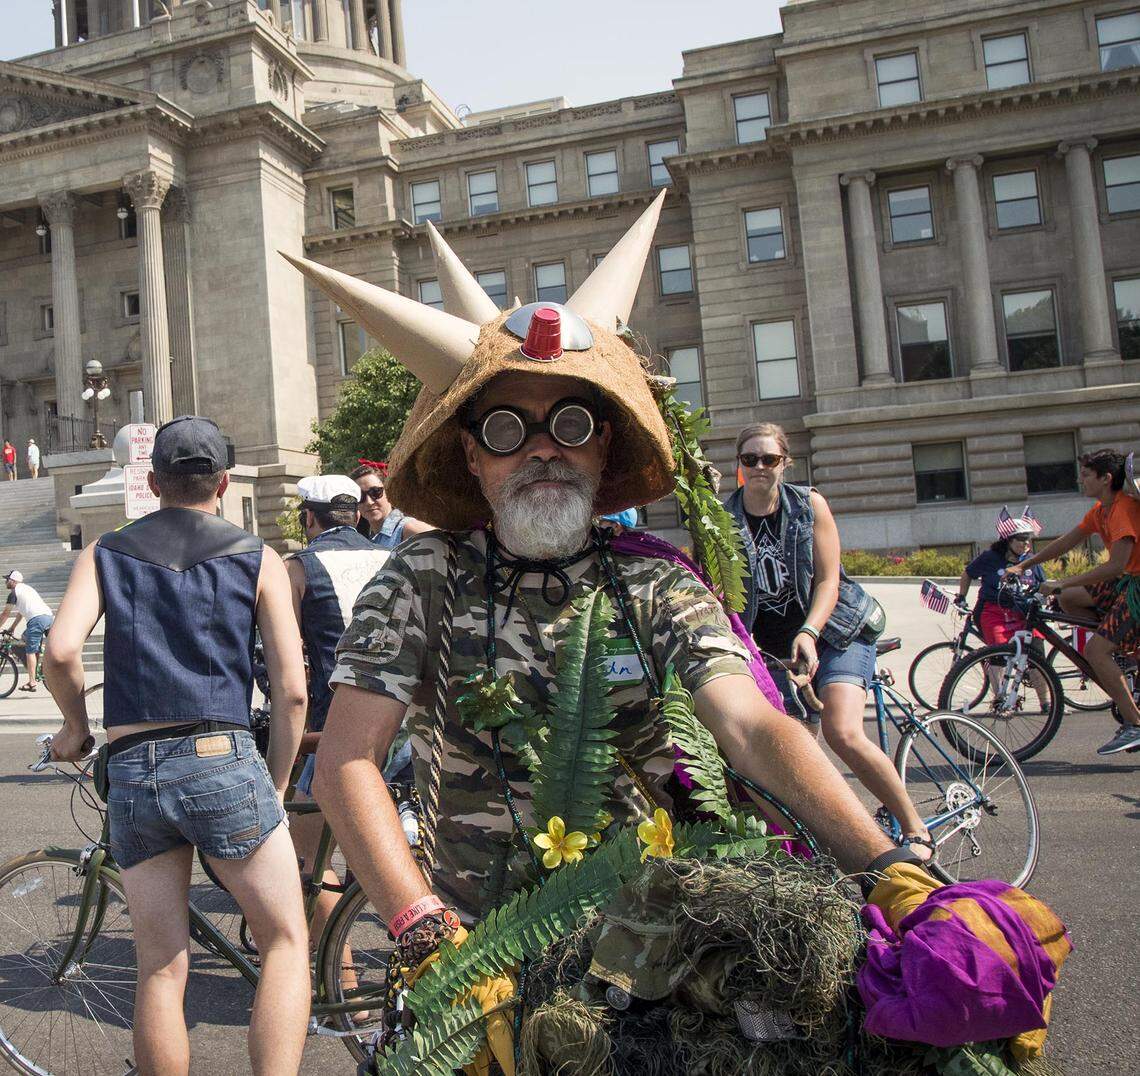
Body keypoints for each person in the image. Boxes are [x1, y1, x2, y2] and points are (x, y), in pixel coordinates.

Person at [282, 195, 944, 1069]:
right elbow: (349, 762)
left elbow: (750, 726)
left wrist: (887, 866)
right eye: (509, 428)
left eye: (574, 424)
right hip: (475, 956)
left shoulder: (654, 582)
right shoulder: (422, 579)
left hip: (648, 959)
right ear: (472, 456)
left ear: (604, 451)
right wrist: (420, 932)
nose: (543, 450)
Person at [43, 415, 312, 1076]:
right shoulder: (259, 557)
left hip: (134, 767)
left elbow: (60, 651)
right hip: (222, 755)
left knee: (160, 967)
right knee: (283, 939)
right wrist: (273, 785)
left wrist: (75, 729)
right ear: (223, 482)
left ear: (153, 481)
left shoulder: (106, 552)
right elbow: (293, 690)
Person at [726, 423, 932, 857]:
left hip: (836, 630)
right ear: (738, 466)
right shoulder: (724, 519)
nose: (760, 467)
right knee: (790, 753)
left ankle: (915, 829)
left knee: (842, 731)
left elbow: (829, 581)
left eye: (769, 459)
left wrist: (810, 631)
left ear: (785, 463)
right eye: (750, 460)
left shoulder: (807, 505)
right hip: (773, 653)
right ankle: (815, 850)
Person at [285, 473, 391, 951]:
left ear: (310, 517)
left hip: (336, 724)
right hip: (402, 722)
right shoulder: (393, 557)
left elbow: (277, 651)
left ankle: (344, 987)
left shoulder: (301, 566)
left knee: (310, 856)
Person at [1007, 448, 1140, 754]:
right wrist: (1024, 565)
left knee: (1095, 650)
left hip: (1136, 588)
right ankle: (1125, 659)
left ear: (1105, 479)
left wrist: (1062, 581)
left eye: (1085, 475)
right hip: (1126, 582)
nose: (1080, 479)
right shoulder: (1101, 510)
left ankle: (1134, 723)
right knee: (1068, 600)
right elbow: (1066, 541)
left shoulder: (1122, 509)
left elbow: (1116, 565)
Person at [957, 509, 1050, 710]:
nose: (1026, 543)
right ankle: (1001, 699)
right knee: (998, 652)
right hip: (993, 611)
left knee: (1036, 653)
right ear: (1008, 540)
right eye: (1021, 539)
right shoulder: (991, 557)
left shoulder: (1031, 560)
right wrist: (961, 596)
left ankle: (1046, 703)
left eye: (1029, 539)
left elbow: (1044, 584)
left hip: (1023, 612)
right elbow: (968, 574)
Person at [350, 460, 431, 548]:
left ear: (388, 492)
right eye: (360, 496)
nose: (369, 502)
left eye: (375, 492)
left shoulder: (408, 529)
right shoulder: (365, 537)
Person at [0, 570, 54, 692]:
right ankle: (39, 666)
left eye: (7, 579)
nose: (5, 582)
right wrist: (12, 627)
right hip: (48, 617)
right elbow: (20, 613)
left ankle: (32, 682)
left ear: (13, 581)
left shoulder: (14, 593)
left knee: (30, 650)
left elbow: (5, 614)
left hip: (37, 620)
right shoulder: (26, 589)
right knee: (26, 638)